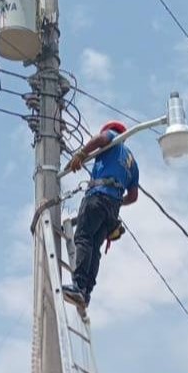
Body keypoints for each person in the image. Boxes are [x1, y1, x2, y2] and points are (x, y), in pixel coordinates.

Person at [62, 121, 139, 308]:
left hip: (97, 197)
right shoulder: (132, 163)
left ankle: (78, 285)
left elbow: (100, 139)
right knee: (95, 246)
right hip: (112, 210)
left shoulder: (112, 137)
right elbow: (133, 196)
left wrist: (81, 154)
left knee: (84, 237)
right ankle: (86, 292)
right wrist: (117, 201)